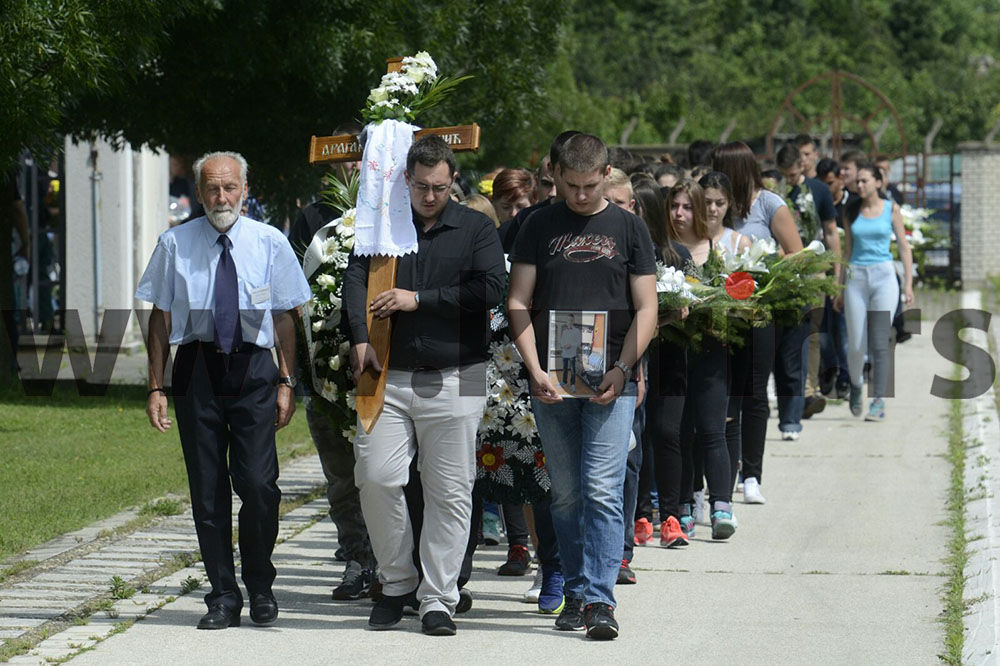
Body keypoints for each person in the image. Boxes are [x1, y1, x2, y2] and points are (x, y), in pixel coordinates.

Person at [137, 151, 311, 630]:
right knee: (208, 491)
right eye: (212, 188)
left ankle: (260, 583)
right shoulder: (175, 244)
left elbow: (284, 317)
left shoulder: (270, 242)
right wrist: (157, 385)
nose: (221, 197)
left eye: (229, 187)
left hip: (254, 370)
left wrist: (286, 380)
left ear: (245, 190)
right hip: (197, 370)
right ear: (198, 193)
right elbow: (160, 317)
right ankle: (222, 595)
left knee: (258, 485)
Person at [343, 135, 505, 636]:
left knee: (450, 492)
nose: (429, 196)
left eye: (438, 187)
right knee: (375, 478)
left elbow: (491, 289)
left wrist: (420, 299)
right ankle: (396, 585)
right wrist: (356, 339)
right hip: (385, 373)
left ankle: (438, 599)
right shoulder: (385, 225)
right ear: (405, 180)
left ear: (453, 181)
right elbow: (354, 277)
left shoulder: (476, 227)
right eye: (420, 186)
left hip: (459, 371)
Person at [508, 133, 658, 640]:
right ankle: (573, 589)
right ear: (554, 174)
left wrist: (623, 366)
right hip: (552, 381)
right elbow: (518, 302)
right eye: (570, 185)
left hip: (612, 381)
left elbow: (647, 308)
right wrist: (535, 369)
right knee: (567, 493)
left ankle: (599, 599)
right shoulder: (537, 225)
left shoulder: (629, 228)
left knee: (602, 489)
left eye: (590, 186)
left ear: (606, 173)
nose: (580, 196)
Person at [288, 197, 379, 601]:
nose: (354, 167)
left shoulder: (405, 212)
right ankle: (358, 560)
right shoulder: (314, 219)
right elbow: (293, 292)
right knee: (342, 477)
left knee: (390, 478)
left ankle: (400, 567)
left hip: (391, 371)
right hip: (325, 372)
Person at [712, 141, 802, 506]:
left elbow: (796, 253)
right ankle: (722, 473)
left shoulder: (768, 204)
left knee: (753, 392)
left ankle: (752, 473)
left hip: (759, 312)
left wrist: (760, 263)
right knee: (723, 394)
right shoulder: (714, 207)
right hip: (718, 315)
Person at [666, 178, 737, 540]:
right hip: (672, 351)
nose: (680, 214)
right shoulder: (664, 249)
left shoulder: (718, 250)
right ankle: (683, 504)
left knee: (712, 429)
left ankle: (721, 503)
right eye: (674, 206)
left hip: (711, 350)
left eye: (687, 207)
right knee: (680, 432)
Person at [835, 162, 914, 421]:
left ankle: (879, 400)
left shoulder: (891, 209)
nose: (859, 185)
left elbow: (904, 247)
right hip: (856, 277)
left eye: (865, 181)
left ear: (879, 183)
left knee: (880, 341)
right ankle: (857, 384)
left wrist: (909, 284)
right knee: (856, 344)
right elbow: (846, 251)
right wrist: (839, 287)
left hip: (883, 277)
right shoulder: (850, 211)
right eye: (857, 181)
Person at [776, 143, 841, 427]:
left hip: (815, 269)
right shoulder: (777, 194)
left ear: (802, 166)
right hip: (786, 269)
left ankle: (809, 389)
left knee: (811, 331)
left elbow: (830, 231)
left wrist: (836, 273)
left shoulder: (819, 191)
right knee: (788, 333)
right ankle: (792, 390)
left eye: (792, 175)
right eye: (785, 176)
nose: (789, 180)